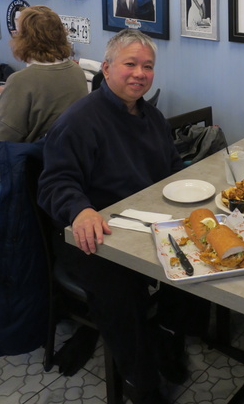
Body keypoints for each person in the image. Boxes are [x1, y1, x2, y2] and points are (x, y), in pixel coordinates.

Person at [38, 29, 192, 404]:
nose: (140, 73)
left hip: (145, 223)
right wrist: (81, 208)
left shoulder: (151, 116)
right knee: (121, 292)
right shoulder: (79, 120)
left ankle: (168, 338)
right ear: (106, 69)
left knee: (197, 258)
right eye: (130, 64)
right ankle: (140, 382)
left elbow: (172, 170)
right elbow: (53, 183)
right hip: (95, 235)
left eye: (148, 66)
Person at [0, 5, 88, 142]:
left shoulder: (21, 81)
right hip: (67, 156)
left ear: (25, 40)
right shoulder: (77, 71)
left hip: (31, 159)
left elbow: (4, 136)